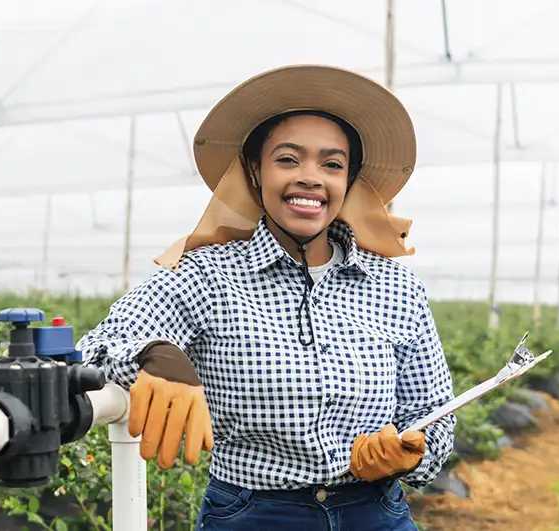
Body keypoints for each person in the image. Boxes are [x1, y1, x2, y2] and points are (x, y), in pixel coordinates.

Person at [78, 65, 455, 530]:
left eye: (332, 164)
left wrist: (406, 454)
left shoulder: (396, 287)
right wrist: (157, 355)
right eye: (289, 159)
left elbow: (433, 414)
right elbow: (97, 346)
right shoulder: (208, 274)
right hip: (254, 513)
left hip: (376, 513)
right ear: (255, 171)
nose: (311, 178)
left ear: (349, 181)